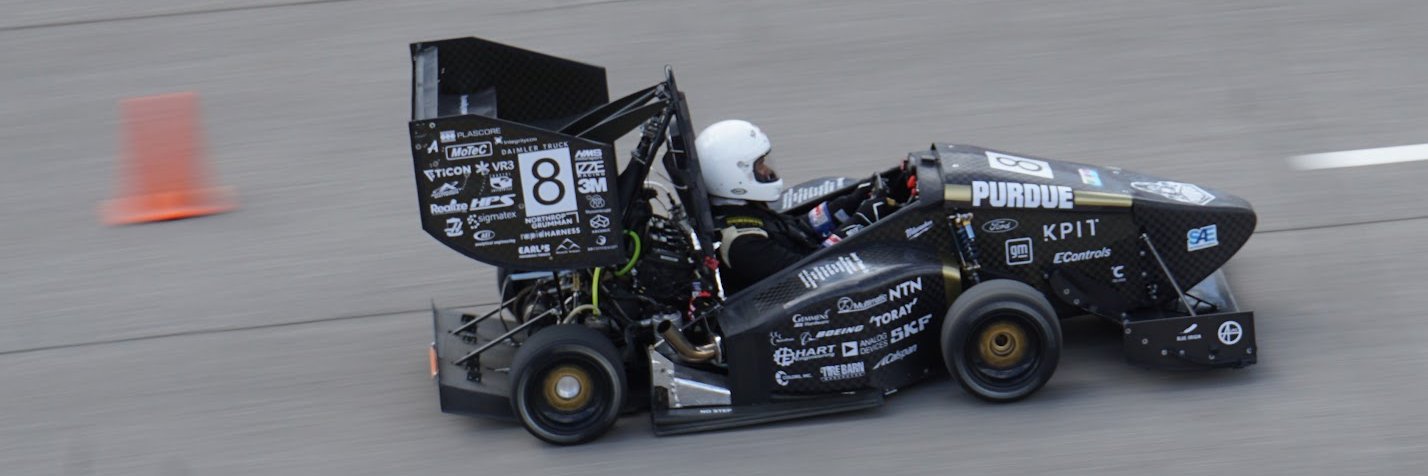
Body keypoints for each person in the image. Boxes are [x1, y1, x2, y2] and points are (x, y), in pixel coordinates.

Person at [695, 119, 899, 293]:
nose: (767, 171)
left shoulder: (740, 210)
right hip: (798, 301)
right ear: (733, 175)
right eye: (759, 165)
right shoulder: (742, 244)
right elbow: (813, 270)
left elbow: (797, 230)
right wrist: (862, 220)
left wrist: (852, 201)